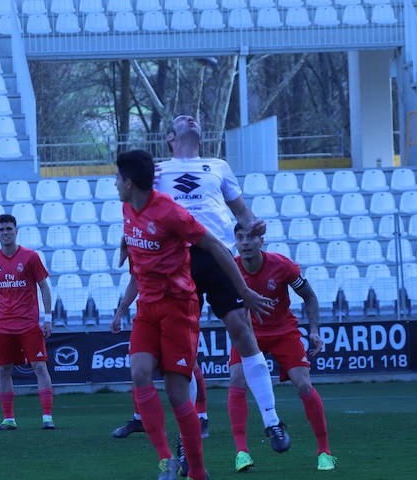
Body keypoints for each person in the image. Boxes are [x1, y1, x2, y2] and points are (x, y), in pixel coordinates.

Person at [112, 114, 291, 454]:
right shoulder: (157, 171)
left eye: (193, 118)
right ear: (169, 136)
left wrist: (254, 224)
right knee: (184, 356)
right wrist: (126, 239)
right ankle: (189, 434)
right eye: (181, 119)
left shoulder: (218, 165)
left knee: (243, 331)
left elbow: (240, 210)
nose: (190, 119)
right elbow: (140, 212)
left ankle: (271, 419)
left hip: (218, 253)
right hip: (179, 260)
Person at [227, 223, 335, 473]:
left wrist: (314, 330)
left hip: (283, 331)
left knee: (304, 385)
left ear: (261, 241)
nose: (245, 243)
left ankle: (325, 452)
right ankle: (242, 453)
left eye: (250, 238)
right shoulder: (230, 268)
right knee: (236, 379)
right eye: (240, 238)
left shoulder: (282, 265)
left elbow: (309, 296)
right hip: (248, 333)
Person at [0, 213, 55, 430]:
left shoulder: (31, 257)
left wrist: (48, 318)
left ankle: (47, 417)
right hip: (4, 325)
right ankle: (8, 419)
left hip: (29, 324)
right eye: (1, 229)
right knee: (3, 370)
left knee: (39, 366)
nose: (5, 233)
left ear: (16, 231)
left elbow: (44, 287)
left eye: (9, 229)